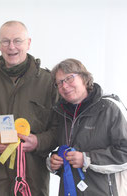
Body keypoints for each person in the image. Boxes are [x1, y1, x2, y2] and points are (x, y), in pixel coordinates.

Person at [0, 20, 58, 196]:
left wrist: (39, 141)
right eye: (5, 41)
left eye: (17, 41)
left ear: (28, 43)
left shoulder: (49, 83)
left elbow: (59, 129)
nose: (11, 47)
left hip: (32, 182)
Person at [49, 58, 127, 196]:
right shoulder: (61, 113)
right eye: (59, 83)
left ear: (84, 78)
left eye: (69, 78)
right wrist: (54, 161)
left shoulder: (110, 108)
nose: (65, 86)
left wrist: (87, 159)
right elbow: (61, 147)